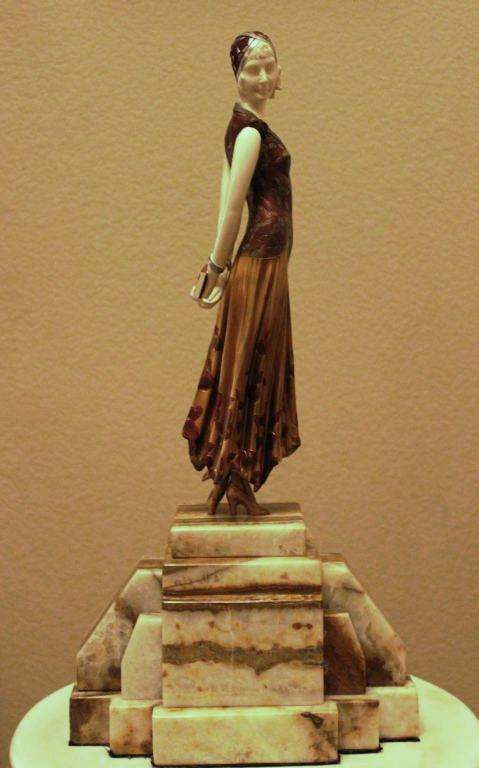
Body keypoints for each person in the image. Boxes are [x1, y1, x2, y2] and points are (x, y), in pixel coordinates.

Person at [182, 31, 301, 516]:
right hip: (262, 263)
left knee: (249, 363)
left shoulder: (241, 128)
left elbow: (225, 205)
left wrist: (219, 265)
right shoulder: (250, 134)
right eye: (253, 69)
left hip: (263, 262)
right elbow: (231, 208)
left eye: (269, 66)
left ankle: (232, 476)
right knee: (252, 365)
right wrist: (216, 266)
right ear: (237, 76)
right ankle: (233, 475)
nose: (263, 77)